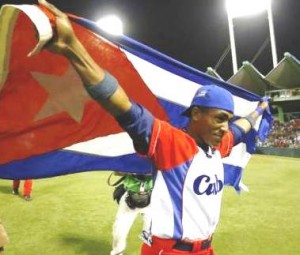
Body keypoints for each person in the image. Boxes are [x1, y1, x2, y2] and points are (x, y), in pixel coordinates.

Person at [38, 1, 270, 254]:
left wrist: (260, 109)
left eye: (227, 119)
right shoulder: (173, 144)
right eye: (219, 118)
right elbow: (124, 107)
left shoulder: (218, 146)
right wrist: (74, 48)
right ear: (196, 114)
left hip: (206, 250)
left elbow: (241, 128)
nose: (225, 127)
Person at [110, 173, 153, 255]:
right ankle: (117, 252)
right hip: (129, 197)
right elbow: (116, 171)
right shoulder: (130, 159)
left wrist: (148, 172)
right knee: (119, 231)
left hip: (151, 198)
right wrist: (133, 171)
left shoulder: (156, 159)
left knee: (151, 233)